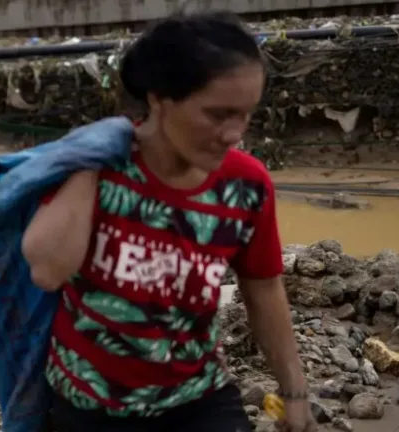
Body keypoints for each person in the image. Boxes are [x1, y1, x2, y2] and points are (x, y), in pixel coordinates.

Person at [21, 11, 317, 432]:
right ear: (160, 98)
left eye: (246, 114)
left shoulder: (246, 186)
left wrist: (295, 392)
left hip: (197, 398)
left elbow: (264, 288)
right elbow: (48, 271)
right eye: (218, 115)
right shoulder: (98, 171)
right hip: (89, 404)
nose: (235, 133)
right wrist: (90, 161)